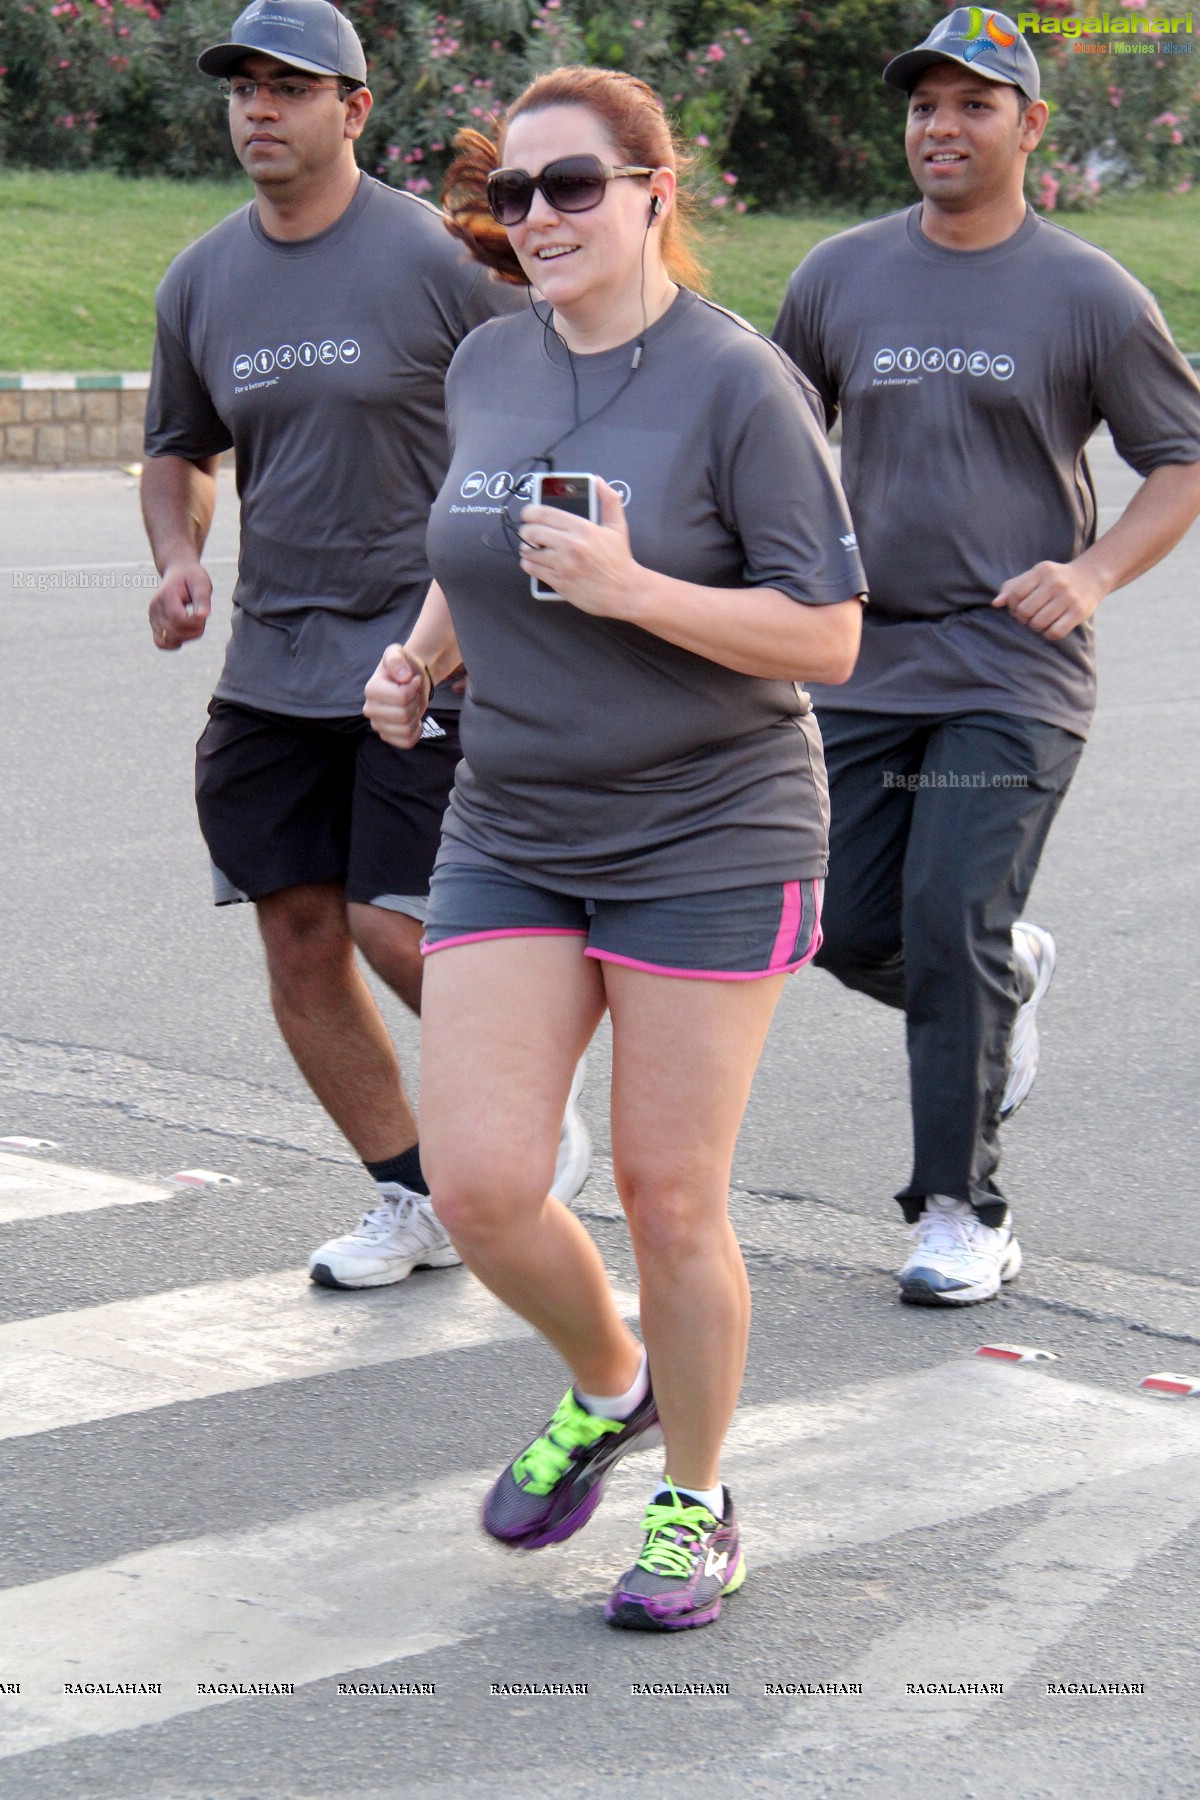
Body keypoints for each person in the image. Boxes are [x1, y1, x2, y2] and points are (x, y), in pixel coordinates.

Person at [364, 65, 865, 1631]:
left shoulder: (737, 384)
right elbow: (485, 535)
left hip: (711, 825)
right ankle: (612, 1378)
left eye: (571, 186)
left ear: (656, 191)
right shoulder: (492, 361)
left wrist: (638, 587)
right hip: (515, 817)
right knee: (483, 1182)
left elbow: (830, 633)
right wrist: (424, 649)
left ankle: (696, 1504)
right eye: (512, 196)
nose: (538, 220)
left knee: (666, 1194)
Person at [140, 0, 589, 1292]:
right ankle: (412, 1196)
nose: (259, 110)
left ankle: (523, 1110)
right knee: (296, 935)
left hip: (428, 647)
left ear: (356, 108)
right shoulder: (201, 279)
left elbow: (550, 406)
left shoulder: (440, 261)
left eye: (291, 87)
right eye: (243, 87)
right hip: (273, 662)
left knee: (397, 922)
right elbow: (180, 450)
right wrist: (179, 557)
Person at [773, 8, 1200, 1306]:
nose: (941, 127)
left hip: (1012, 672)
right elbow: (772, 440)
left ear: (1030, 126)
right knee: (838, 927)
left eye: (973, 104)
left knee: (950, 911)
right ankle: (1000, 985)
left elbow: (1179, 458)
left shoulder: (1085, 292)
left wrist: (1092, 573)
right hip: (865, 660)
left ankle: (962, 1208)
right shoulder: (839, 276)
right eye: (924, 106)